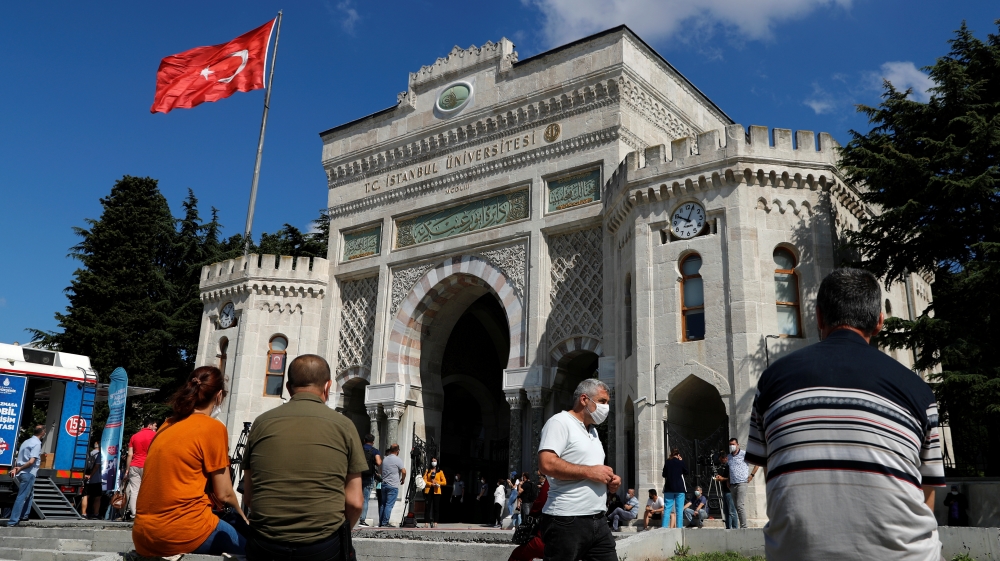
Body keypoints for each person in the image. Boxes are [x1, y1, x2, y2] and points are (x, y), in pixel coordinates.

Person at [746, 268, 947, 561]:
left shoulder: (772, 381)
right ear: (879, 321)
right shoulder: (918, 391)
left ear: (818, 317)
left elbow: (775, 478)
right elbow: (926, 493)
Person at [241, 355, 366, 560]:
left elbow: (249, 496)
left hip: (265, 545)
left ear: (288, 387)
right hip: (324, 546)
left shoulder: (261, 423)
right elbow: (355, 502)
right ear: (327, 387)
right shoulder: (344, 426)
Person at [132, 366, 247, 557]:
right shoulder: (213, 428)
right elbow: (225, 493)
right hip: (182, 531)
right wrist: (245, 518)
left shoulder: (167, 424)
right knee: (254, 550)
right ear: (219, 395)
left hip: (143, 534)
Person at [538, 378, 620, 561]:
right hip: (566, 520)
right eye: (602, 402)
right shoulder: (559, 422)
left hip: (598, 520)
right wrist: (591, 472)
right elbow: (547, 464)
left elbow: (589, 469)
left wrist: (609, 481)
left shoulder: (593, 431)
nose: (606, 407)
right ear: (584, 399)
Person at [7, 425, 45, 527]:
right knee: (22, 496)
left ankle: (24, 515)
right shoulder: (37, 444)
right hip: (28, 473)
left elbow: (17, 458)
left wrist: (16, 468)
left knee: (30, 493)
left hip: (21, 473)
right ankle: (13, 521)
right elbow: (31, 461)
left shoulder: (26, 442)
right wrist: (20, 468)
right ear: (42, 433)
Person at [507, 474, 550, 561]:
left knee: (518, 555)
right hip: (579, 535)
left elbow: (541, 500)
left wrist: (532, 514)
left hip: (551, 537)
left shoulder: (554, 477)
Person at [124, 417, 157, 521]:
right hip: (149, 465)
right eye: (154, 426)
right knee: (149, 490)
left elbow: (130, 454)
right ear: (150, 425)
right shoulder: (155, 435)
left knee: (134, 490)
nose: (155, 428)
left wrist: (127, 470)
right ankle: (148, 512)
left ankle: (134, 513)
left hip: (134, 465)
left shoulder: (134, 436)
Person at [727, 437, 756, 528]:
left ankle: (744, 527)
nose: (732, 446)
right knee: (736, 506)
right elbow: (730, 469)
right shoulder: (729, 457)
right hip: (732, 484)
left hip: (742, 483)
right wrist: (728, 480)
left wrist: (751, 475)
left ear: (737, 445)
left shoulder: (744, 454)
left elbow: (757, 463)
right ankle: (739, 526)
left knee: (740, 505)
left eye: (733, 444)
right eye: (730, 444)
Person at [379, 444, 406, 527]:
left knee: (383, 504)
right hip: (392, 485)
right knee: (389, 505)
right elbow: (404, 471)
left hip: (384, 484)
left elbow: (380, 470)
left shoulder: (385, 459)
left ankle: (381, 522)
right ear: (398, 451)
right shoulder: (397, 460)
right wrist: (403, 479)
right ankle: (385, 522)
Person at [359, 434, 382, 527]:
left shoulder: (359, 449)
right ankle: (362, 519)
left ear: (364, 440)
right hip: (368, 476)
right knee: (365, 499)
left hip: (358, 475)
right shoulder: (374, 450)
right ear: (373, 442)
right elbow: (379, 462)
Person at [661, 447, 687, 528]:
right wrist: (681, 461)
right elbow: (686, 471)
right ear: (678, 454)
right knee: (679, 510)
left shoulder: (668, 462)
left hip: (669, 488)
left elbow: (664, 474)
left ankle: (664, 528)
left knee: (667, 509)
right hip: (679, 488)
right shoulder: (680, 462)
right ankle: (679, 528)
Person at [713, 452, 737, 529]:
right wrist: (721, 477)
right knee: (726, 511)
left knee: (732, 511)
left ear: (725, 458)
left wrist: (722, 479)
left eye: (721, 460)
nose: (721, 462)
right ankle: (728, 527)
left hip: (730, 491)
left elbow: (732, 478)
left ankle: (734, 528)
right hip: (725, 490)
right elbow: (726, 477)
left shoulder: (731, 466)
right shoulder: (726, 466)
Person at [422, 457, 446, 528]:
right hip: (429, 490)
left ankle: (435, 522)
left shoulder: (440, 472)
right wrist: (430, 484)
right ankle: (426, 522)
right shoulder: (428, 471)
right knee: (427, 507)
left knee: (436, 507)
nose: (433, 462)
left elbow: (444, 482)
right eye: (432, 461)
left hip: (436, 491)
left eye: (435, 461)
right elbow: (424, 480)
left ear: (437, 462)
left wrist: (437, 482)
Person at [81, 440, 102, 519]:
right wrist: (91, 475)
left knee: (85, 496)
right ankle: (96, 514)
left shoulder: (89, 453)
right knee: (97, 497)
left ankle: (83, 513)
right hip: (97, 479)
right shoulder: (100, 454)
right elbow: (96, 466)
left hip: (88, 480)